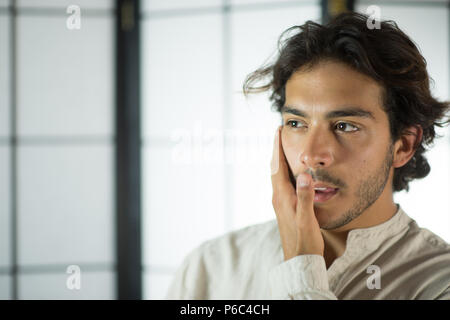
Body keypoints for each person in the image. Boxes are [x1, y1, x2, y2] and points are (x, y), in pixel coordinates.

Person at [165, 11, 450, 299]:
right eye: (296, 124)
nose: (311, 155)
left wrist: (301, 275)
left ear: (403, 145)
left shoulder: (438, 283)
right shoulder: (211, 269)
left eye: (345, 126)